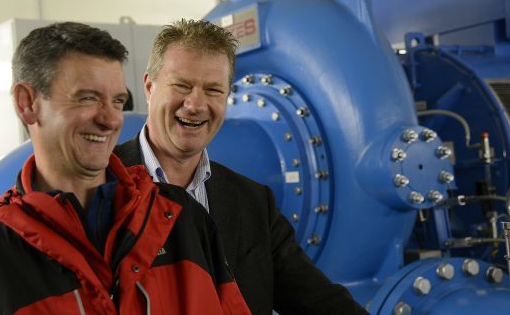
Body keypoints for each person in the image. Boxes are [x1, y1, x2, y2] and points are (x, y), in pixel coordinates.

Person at [0, 22, 250, 314]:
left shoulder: (182, 219)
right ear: (27, 103)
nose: (111, 120)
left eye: (117, 102)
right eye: (88, 98)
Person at [115, 19, 368, 314]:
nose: (196, 105)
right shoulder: (97, 189)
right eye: (182, 85)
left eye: (213, 90)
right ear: (149, 87)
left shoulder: (253, 203)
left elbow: (320, 301)